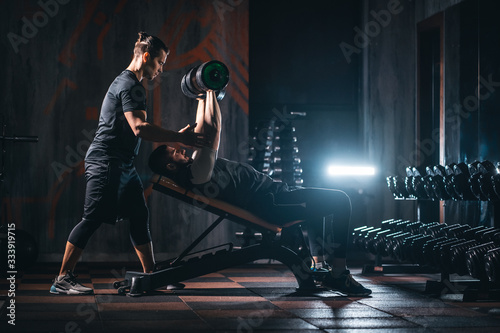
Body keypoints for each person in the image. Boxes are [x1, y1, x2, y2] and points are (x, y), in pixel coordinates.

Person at [148, 90, 372, 296]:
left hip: (276, 194)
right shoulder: (197, 173)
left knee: (321, 203)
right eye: (174, 152)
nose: (180, 148)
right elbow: (213, 130)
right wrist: (211, 93)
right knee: (342, 201)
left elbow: (201, 129)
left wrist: (201, 97)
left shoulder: (193, 168)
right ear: (170, 167)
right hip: (272, 203)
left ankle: (320, 268)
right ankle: (339, 274)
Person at [50, 32, 206, 295]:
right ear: (146, 57)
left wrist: (174, 137)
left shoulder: (129, 83)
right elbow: (139, 128)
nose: (161, 69)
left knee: (138, 214)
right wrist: (179, 137)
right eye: (160, 62)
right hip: (106, 161)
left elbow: (138, 128)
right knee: (92, 218)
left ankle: (151, 275)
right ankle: (62, 278)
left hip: (122, 164)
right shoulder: (131, 85)